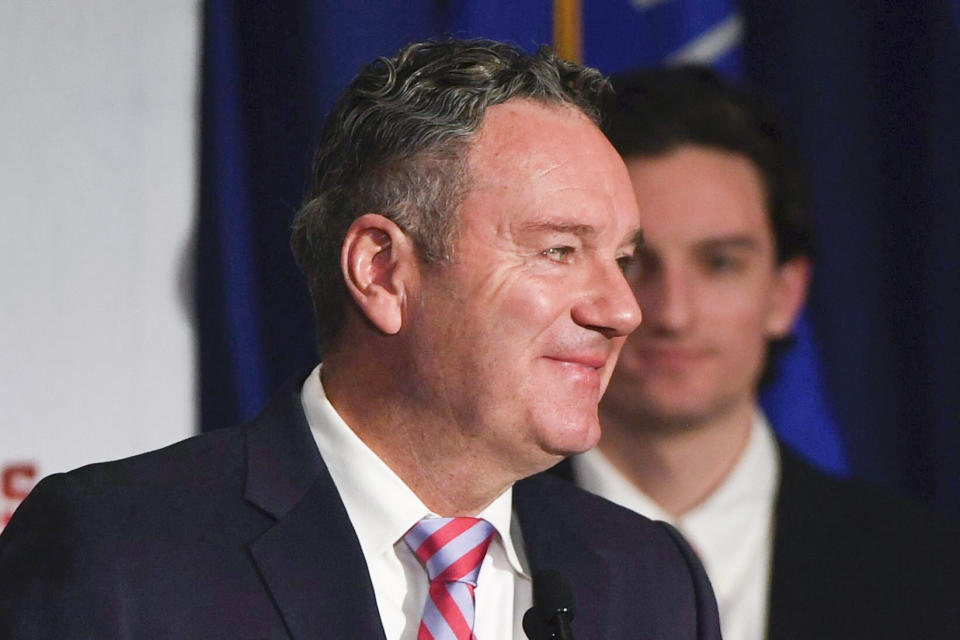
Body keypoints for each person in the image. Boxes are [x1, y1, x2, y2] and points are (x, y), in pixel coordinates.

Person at [0, 41, 722, 639]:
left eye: (621, 259)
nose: (624, 310)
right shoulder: (119, 554)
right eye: (560, 251)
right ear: (382, 271)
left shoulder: (650, 584)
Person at [555, 65, 960, 640]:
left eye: (720, 263)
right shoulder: (471, 550)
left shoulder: (932, 578)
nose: (673, 313)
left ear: (784, 292)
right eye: (632, 262)